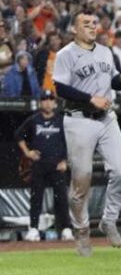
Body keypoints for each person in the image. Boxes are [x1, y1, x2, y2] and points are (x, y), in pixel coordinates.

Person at [52, 11, 121, 255]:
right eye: (85, 23)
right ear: (73, 30)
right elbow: (59, 87)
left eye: (93, 23)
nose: (91, 26)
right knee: (81, 180)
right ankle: (82, 230)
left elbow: (113, 80)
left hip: (107, 119)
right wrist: (90, 99)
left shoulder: (105, 51)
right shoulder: (66, 54)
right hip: (79, 120)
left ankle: (109, 220)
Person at [15, 90, 69, 242]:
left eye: (50, 99)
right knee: (36, 198)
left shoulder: (61, 120)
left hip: (57, 165)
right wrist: (28, 152)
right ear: (40, 102)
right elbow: (18, 135)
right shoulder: (34, 120)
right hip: (39, 165)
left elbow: (69, 142)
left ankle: (66, 229)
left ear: (55, 102)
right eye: (44, 99)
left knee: (61, 198)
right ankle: (33, 229)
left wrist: (65, 161)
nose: (47, 102)